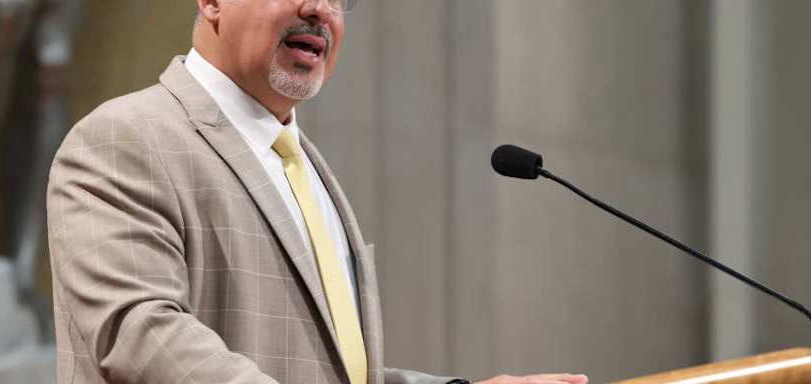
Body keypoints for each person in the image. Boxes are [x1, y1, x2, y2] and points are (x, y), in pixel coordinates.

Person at [46, 1, 589, 383]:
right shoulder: (124, 138)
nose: (319, 10)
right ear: (211, 2)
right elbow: (142, 338)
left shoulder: (305, 166)